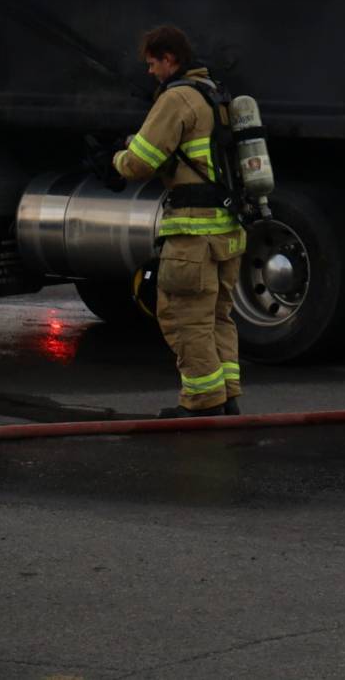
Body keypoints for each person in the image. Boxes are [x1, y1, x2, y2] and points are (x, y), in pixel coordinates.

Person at [105, 24, 245, 417]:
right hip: (228, 231)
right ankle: (228, 394)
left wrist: (115, 159)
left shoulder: (178, 98)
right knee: (217, 316)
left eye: (153, 64)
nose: (150, 72)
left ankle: (202, 402)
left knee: (184, 317)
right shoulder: (216, 94)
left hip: (193, 233)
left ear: (171, 59)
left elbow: (140, 162)